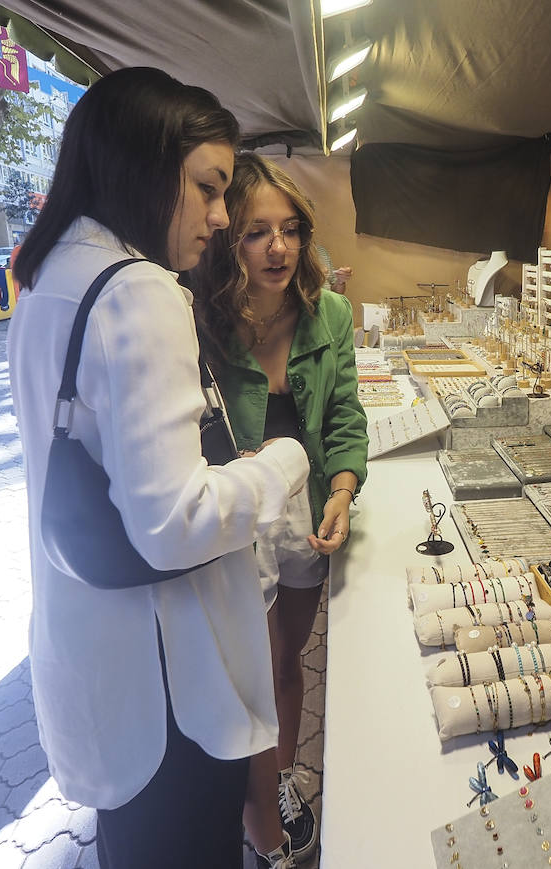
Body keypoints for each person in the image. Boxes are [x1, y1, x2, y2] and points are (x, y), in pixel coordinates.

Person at [7, 67, 310, 869]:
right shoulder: (139, 290)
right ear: (145, 166)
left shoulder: (47, 276)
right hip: (170, 687)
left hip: (103, 669)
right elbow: (173, 522)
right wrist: (283, 462)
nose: (219, 216)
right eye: (208, 188)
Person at [188, 153, 368, 869]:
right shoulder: (204, 321)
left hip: (310, 514)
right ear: (231, 239)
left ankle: (284, 778)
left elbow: (348, 417)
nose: (279, 247)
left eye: (290, 229)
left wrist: (346, 495)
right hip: (239, 519)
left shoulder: (330, 313)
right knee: (251, 670)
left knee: (287, 659)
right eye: (258, 231)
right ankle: (260, 806)